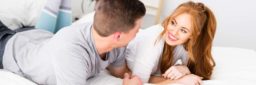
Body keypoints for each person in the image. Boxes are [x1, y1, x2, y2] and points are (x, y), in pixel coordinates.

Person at [1, 0, 146, 84]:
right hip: (10, 48)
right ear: (118, 35)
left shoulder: (118, 46)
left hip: (37, 37)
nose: (139, 32)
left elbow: (120, 72)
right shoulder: (71, 54)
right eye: (137, 28)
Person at [126, 1, 216, 85]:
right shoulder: (152, 40)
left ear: (193, 35)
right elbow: (139, 81)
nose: (174, 32)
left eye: (183, 30)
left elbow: (200, 73)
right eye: (173, 23)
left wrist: (184, 69)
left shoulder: (186, 45)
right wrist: (178, 81)